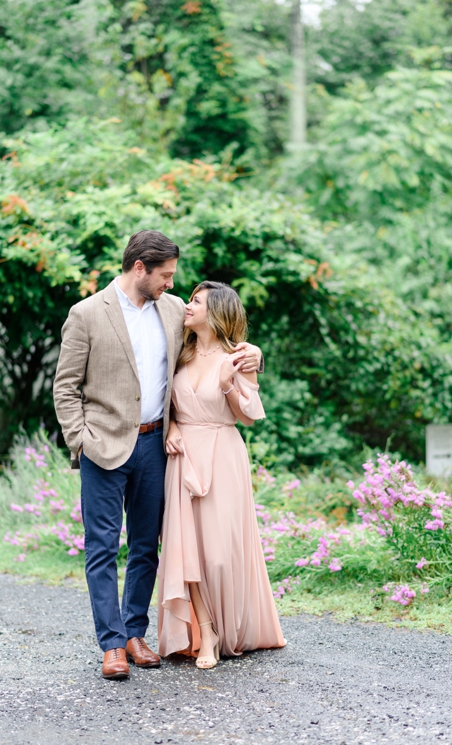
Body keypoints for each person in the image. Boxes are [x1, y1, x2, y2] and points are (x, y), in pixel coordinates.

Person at [53, 230, 263, 680]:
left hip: (157, 446)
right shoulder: (87, 314)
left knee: (147, 546)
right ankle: (111, 645)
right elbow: (65, 387)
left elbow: (218, 348)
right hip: (103, 447)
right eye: (165, 275)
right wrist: (82, 440)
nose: (172, 284)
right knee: (103, 547)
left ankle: (134, 633)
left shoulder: (173, 313)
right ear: (139, 269)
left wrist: (256, 357)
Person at [156, 281, 285, 668]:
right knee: (184, 551)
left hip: (223, 455)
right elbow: (167, 404)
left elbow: (248, 416)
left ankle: (235, 626)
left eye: (196, 301)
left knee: (218, 557)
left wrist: (229, 386)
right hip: (182, 457)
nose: (188, 305)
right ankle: (207, 632)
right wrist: (173, 428)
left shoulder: (240, 356)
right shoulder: (180, 351)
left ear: (217, 313)